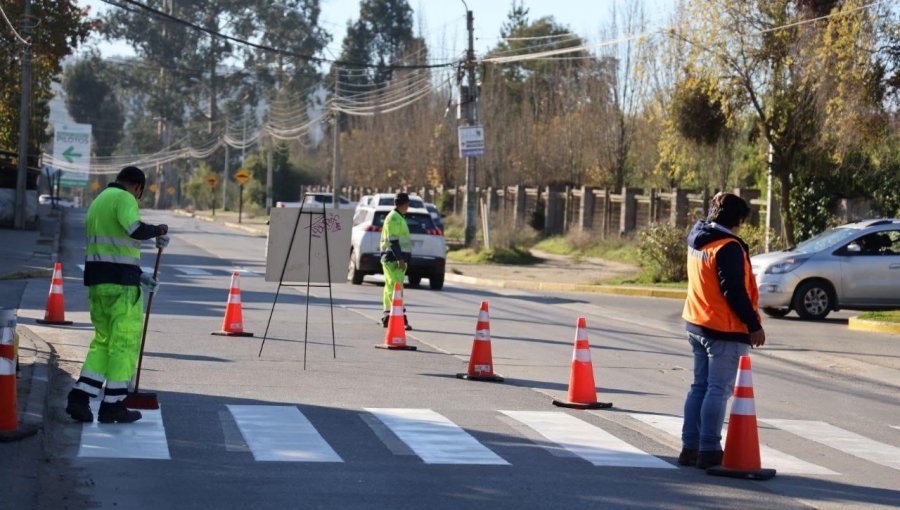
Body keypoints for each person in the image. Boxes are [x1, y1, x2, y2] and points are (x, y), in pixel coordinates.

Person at [65, 166, 170, 424]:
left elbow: (111, 249)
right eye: (139, 194)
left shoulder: (98, 201)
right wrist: (159, 230)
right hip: (122, 288)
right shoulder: (125, 199)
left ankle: (80, 396)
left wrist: (140, 275)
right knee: (124, 343)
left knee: (103, 341)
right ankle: (113, 404)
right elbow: (134, 229)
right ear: (138, 187)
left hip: (99, 284)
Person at [679, 192, 766, 469]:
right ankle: (709, 450)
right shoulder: (727, 247)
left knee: (699, 387)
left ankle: (690, 447)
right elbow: (734, 291)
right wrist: (753, 325)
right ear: (738, 220)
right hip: (723, 329)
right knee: (717, 390)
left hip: (697, 322)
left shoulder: (698, 237)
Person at [380, 192, 413, 330]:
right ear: (405, 204)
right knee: (395, 288)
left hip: (395, 259)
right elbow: (393, 241)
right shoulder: (394, 218)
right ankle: (398, 317)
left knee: (393, 287)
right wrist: (400, 258)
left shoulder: (397, 217)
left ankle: (389, 316)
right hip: (393, 259)